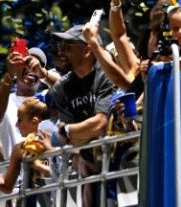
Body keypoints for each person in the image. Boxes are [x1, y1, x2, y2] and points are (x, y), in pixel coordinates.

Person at [50, 21, 117, 206]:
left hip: (115, 163)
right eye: (60, 47)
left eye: (67, 47)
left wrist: (68, 132)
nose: (61, 53)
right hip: (85, 165)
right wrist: (72, 135)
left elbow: (101, 125)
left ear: (87, 51)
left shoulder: (106, 75)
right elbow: (67, 142)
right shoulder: (61, 88)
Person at [0, 47, 57, 164]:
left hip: (45, 178)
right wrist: (10, 74)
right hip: (13, 179)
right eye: (26, 63)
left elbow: (69, 90)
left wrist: (43, 73)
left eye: (38, 64)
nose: (31, 68)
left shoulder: (48, 99)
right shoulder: (6, 99)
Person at [0, 98, 53, 201]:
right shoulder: (19, 149)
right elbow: (7, 188)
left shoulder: (20, 149)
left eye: (20, 119)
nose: (16, 125)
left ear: (34, 121)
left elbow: (7, 187)